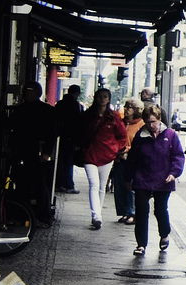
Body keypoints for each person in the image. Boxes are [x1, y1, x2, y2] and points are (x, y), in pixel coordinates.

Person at [126, 104, 185, 258]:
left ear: (159, 119)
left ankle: (164, 233)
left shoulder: (170, 135)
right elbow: (133, 158)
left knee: (160, 210)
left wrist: (174, 173)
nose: (151, 125)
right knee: (141, 212)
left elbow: (178, 156)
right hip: (142, 178)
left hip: (163, 179)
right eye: (147, 122)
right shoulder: (141, 135)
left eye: (153, 121)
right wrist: (128, 177)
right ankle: (141, 244)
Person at [5, 82, 58, 218]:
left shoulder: (47, 111)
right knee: (20, 182)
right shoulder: (18, 110)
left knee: (40, 183)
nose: (27, 94)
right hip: (20, 151)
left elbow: (52, 133)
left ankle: (41, 214)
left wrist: (47, 152)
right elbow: (11, 131)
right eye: (26, 91)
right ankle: (20, 211)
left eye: (31, 91)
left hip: (37, 152)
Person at [76, 89, 124, 230]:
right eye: (100, 96)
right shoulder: (88, 116)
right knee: (94, 184)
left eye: (105, 97)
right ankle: (96, 215)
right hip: (90, 155)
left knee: (101, 187)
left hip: (107, 156)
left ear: (109, 99)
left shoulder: (113, 117)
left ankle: (98, 215)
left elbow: (122, 136)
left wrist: (115, 149)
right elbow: (79, 132)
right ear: (96, 98)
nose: (102, 99)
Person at [109, 99, 143, 224]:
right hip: (119, 158)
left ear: (136, 110)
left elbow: (140, 143)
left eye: (129, 107)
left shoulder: (141, 125)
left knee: (130, 187)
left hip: (132, 160)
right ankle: (123, 211)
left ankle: (132, 213)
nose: (126, 109)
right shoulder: (123, 123)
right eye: (126, 107)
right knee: (119, 186)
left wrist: (128, 151)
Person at [53, 85, 86, 194]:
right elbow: (78, 124)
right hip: (71, 138)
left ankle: (58, 184)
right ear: (77, 93)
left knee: (59, 161)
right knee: (69, 162)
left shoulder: (60, 104)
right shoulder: (76, 105)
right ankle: (69, 185)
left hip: (60, 137)